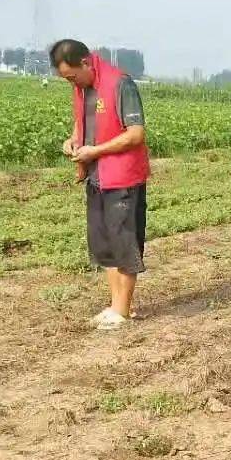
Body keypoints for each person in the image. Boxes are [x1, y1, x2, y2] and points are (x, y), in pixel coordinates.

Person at [50, 39, 150, 331]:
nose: (71, 83)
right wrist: (73, 141)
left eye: (71, 76)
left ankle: (122, 309)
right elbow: (83, 124)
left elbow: (136, 134)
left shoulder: (121, 84)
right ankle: (116, 306)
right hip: (96, 176)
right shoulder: (82, 88)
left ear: (85, 62)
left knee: (124, 241)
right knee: (104, 243)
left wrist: (96, 150)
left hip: (122, 176)